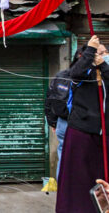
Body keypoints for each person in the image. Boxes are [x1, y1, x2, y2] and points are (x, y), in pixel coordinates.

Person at [56, 35, 109, 213]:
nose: (101, 54)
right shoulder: (83, 72)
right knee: (78, 177)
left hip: (103, 134)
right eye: (98, 52)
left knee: (101, 177)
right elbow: (75, 73)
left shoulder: (105, 70)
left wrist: (103, 65)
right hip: (82, 130)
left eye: (104, 52)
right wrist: (90, 52)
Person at [45, 49, 80, 178]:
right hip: (76, 123)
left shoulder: (60, 75)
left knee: (63, 156)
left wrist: (53, 122)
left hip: (62, 122)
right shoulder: (87, 78)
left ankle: (63, 191)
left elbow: (50, 99)